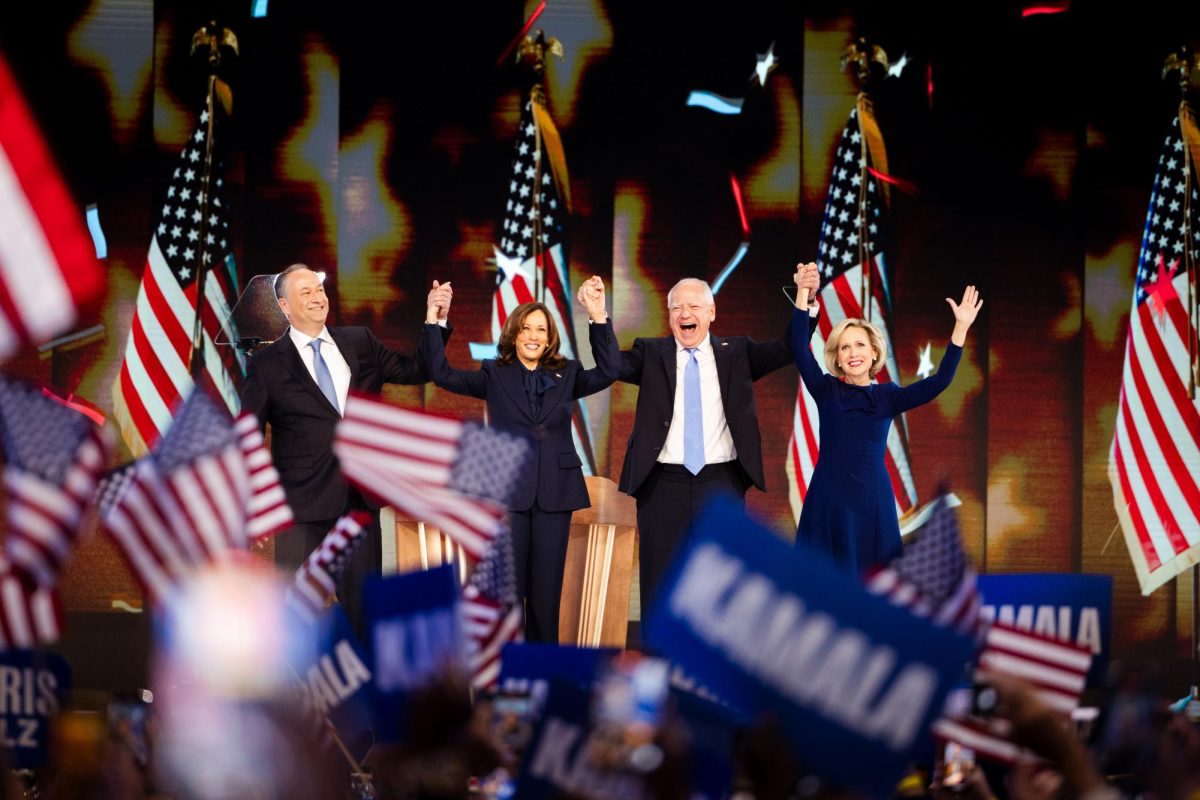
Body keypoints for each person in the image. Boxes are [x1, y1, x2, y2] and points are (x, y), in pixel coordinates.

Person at [241, 264, 453, 632]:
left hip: (358, 507)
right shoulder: (266, 363)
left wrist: (434, 322)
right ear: (284, 306)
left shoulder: (359, 342)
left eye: (319, 289)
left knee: (364, 621)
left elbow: (417, 369)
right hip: (301, 512)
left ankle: (364, 689)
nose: (317, 296)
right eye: (304, 292)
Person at [420, 276, 618, 643]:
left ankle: (541, 677)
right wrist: (434, 318)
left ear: (549, 337)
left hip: (554, 496)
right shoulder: (494, 373)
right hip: (507, 496)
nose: (533, 335)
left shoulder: (568, 373)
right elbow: (441, 374)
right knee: (507, 599)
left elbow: (609, 370)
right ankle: (507, 681)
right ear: (513, 333)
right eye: (526, 328)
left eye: (541, 329)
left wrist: (597, 314)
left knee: (546, 597)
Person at [617, 271, 819, 611]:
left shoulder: (737, 352)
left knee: (721, 577)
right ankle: (659, 659)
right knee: (660, 580)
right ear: (669, 317)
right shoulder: (651, 353)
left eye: (694, 306)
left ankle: (711, 659)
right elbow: (611, 365)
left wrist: (805, 299)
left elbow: (788, 349)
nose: (685, 314)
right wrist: (597, 317)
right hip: (662, 484)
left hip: (720, 481)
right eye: (677, 307)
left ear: (711, 312)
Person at [790, 261, 982, 573]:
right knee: (824, 583)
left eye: (860, 345)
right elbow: (799, 348)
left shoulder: (887, 396)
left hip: (872, 503)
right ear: (837, 357)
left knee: (871, 585)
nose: (853, 352)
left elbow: (940, 382)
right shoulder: (826, 389)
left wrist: (960, 328)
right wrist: (802, 293)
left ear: (874, 353)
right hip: (828, 501)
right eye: (845, 347)